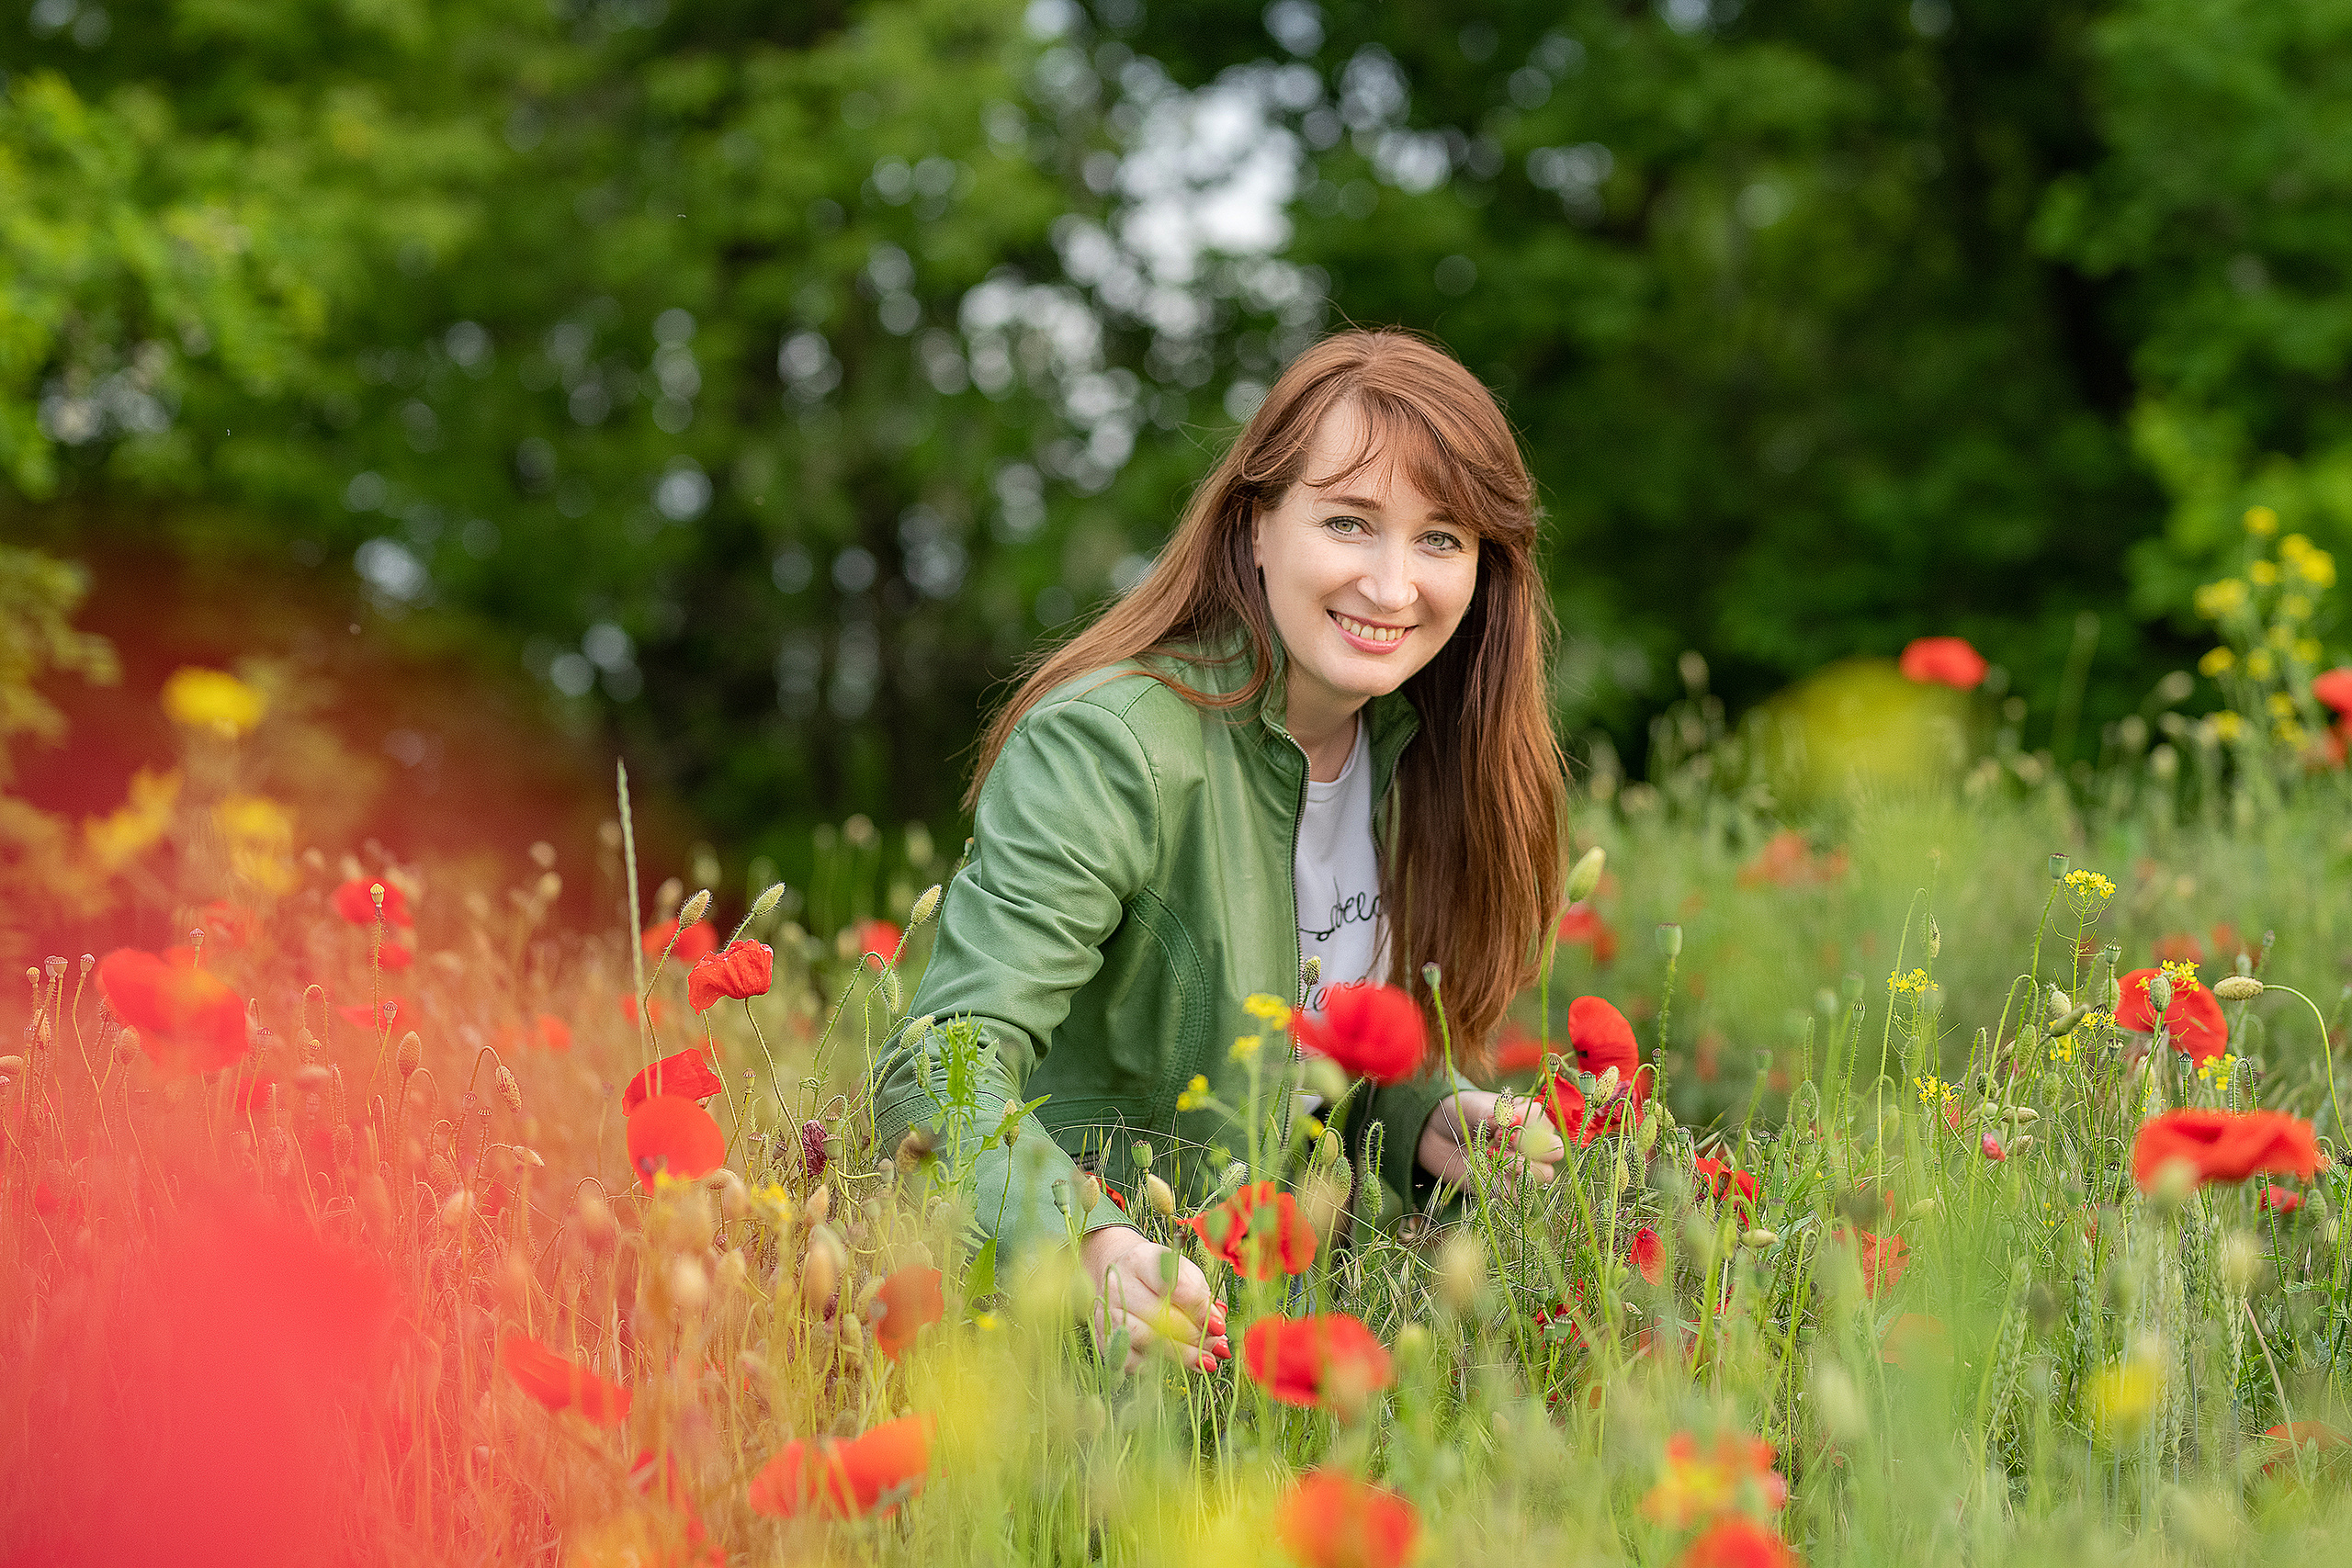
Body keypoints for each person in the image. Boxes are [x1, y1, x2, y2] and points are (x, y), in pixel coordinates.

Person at [870, 329, 1566, 1371]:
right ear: (1254, 528)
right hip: (1071, 1372)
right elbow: (940, 1063)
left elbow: (1285, 1052)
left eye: (1441, 538)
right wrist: (1084, 1242)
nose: (1391, 585)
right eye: (1347, 521)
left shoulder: (1421, 752)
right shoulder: (1112, 746)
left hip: (1279, 1366)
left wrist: (1422, 1112)